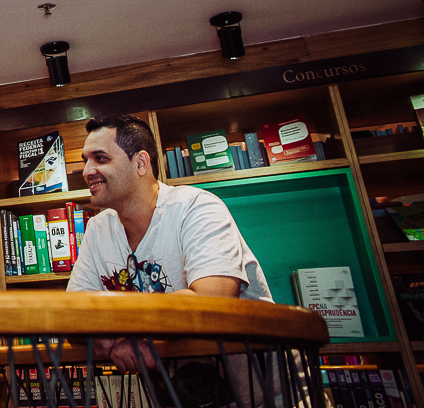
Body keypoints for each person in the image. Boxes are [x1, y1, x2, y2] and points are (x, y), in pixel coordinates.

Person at [66, 115, 272, 373]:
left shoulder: (197, 207)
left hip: (262, 394)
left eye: (101, 158)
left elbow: (212, 305)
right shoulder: (97, 229)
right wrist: (118, 339)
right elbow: (72, 317)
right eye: (86, 160)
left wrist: (117, 327)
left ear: (141, 163)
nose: (86, 171)